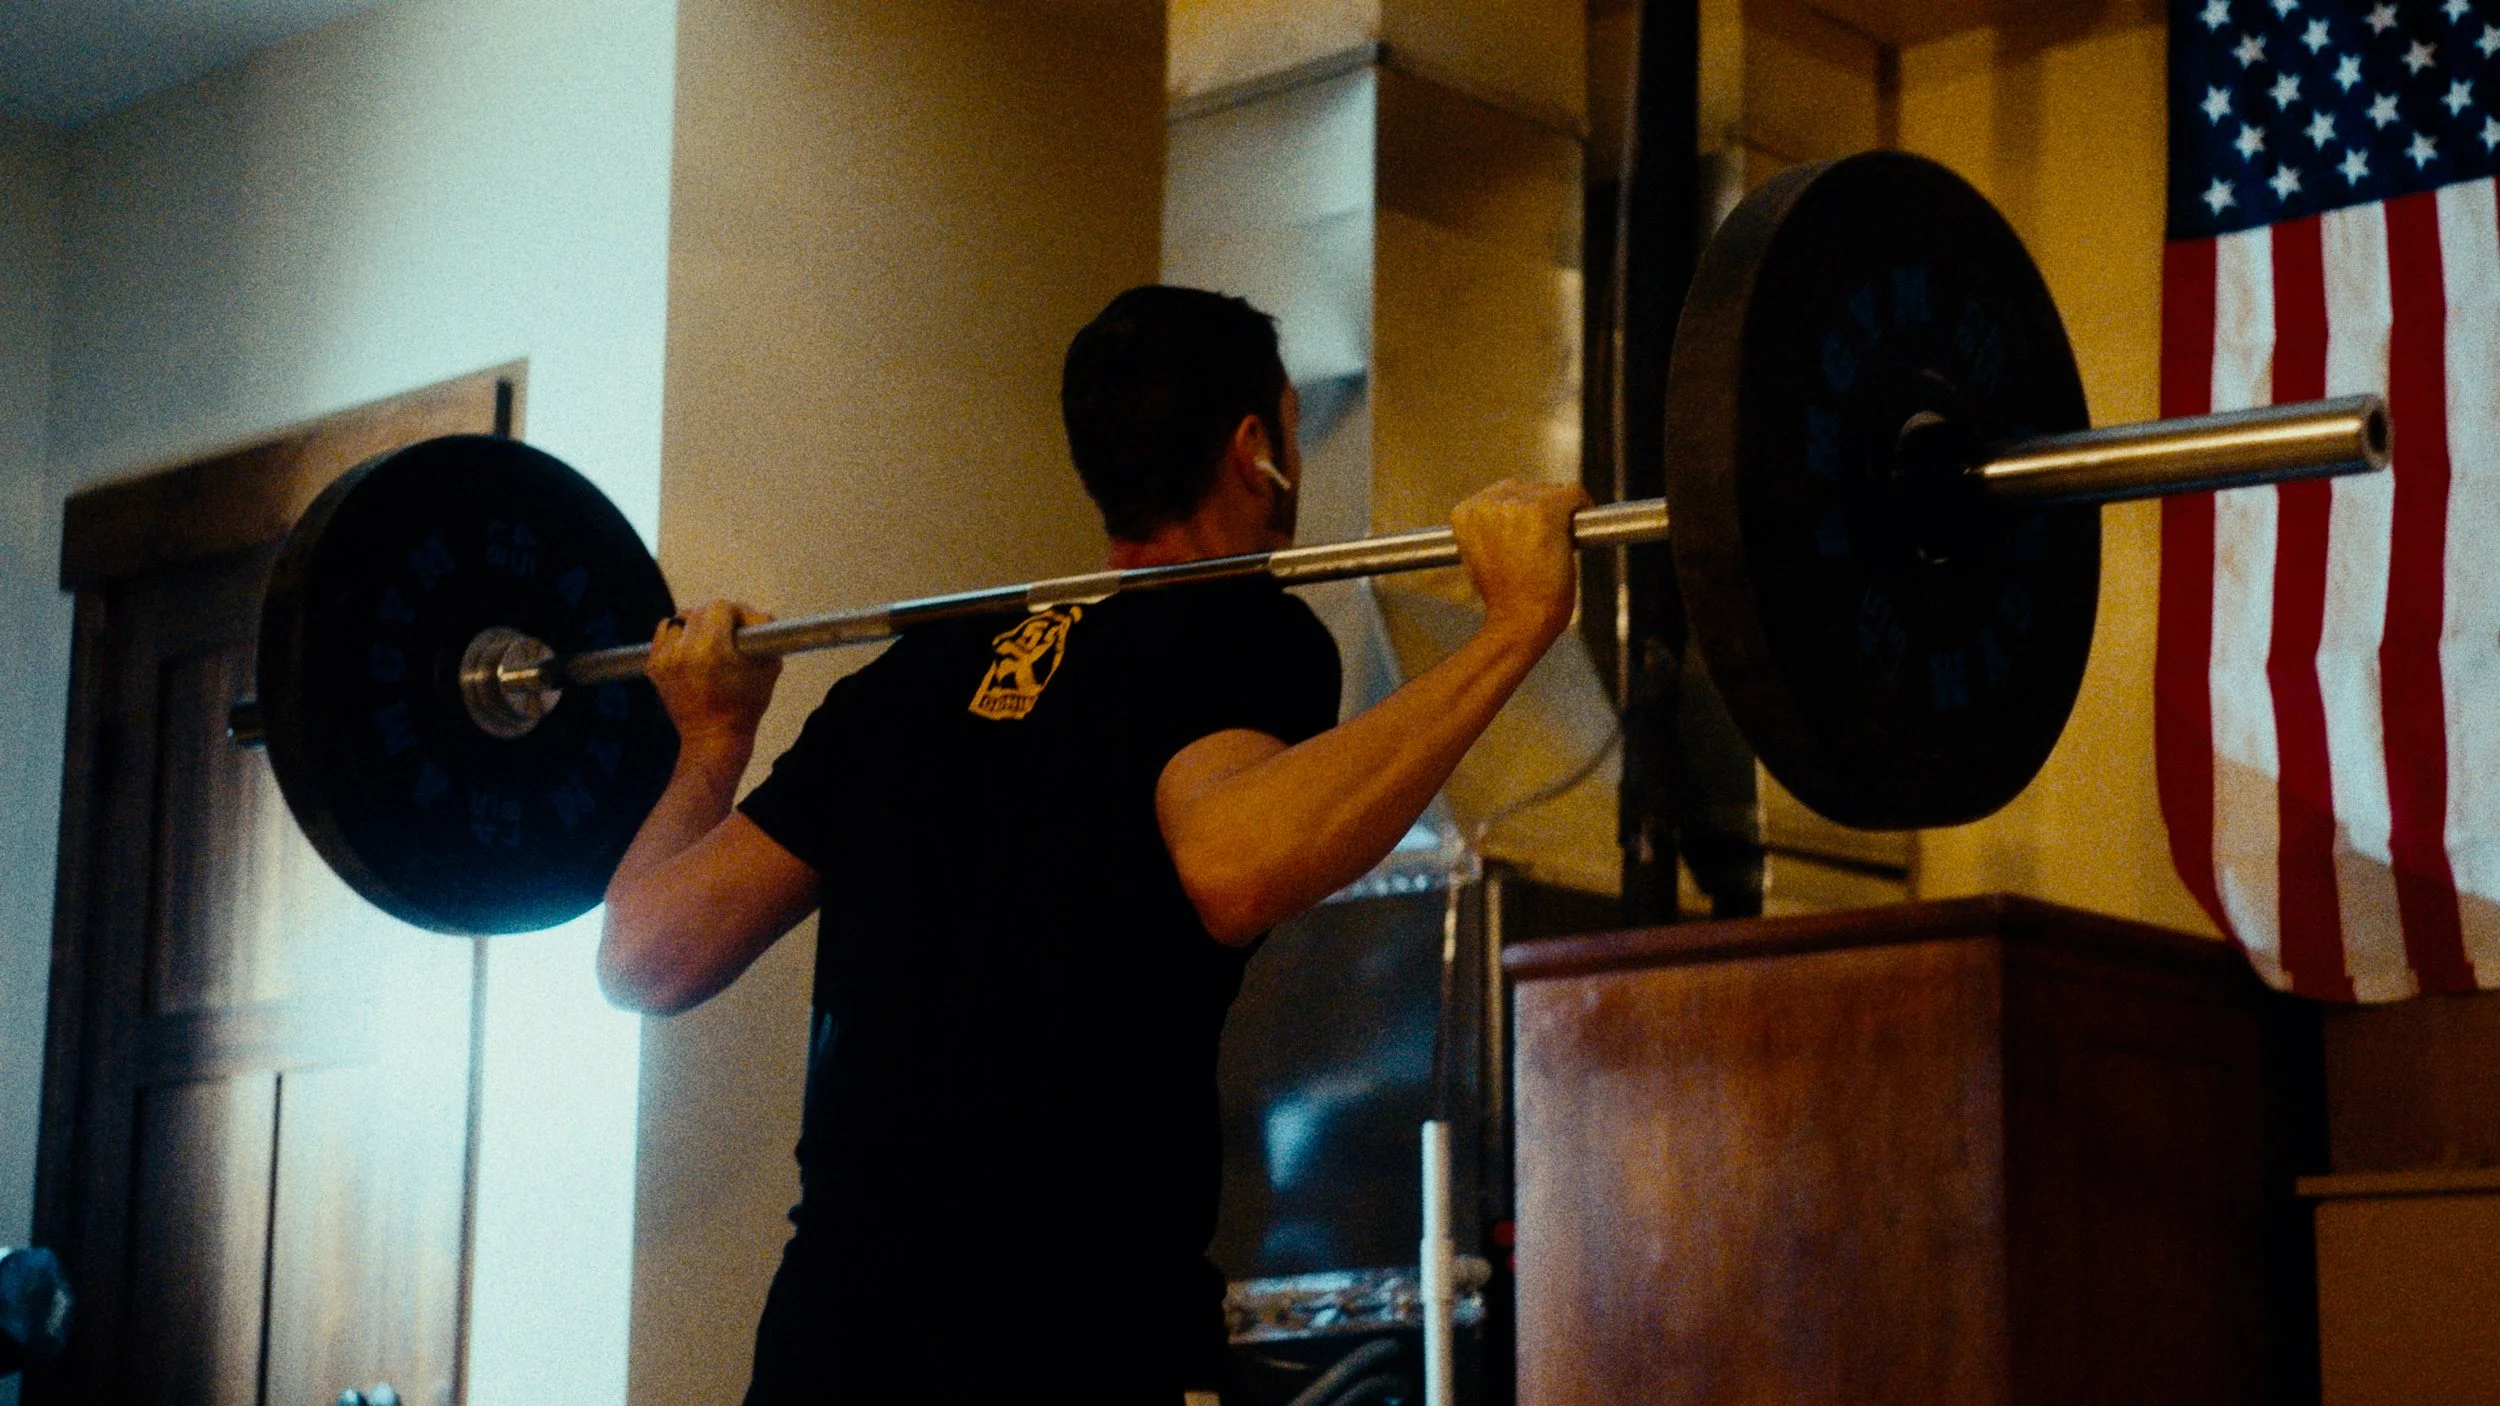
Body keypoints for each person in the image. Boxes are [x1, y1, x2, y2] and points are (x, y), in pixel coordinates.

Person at [598, 286, 1588, 1403]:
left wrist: (712, 738)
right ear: (1254, 447)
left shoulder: (916, 675)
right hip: (1073, 1333)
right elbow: (1233, 865)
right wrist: (1514, 628)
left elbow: (644, 952)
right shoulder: (1242, 625)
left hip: (835, 1339)